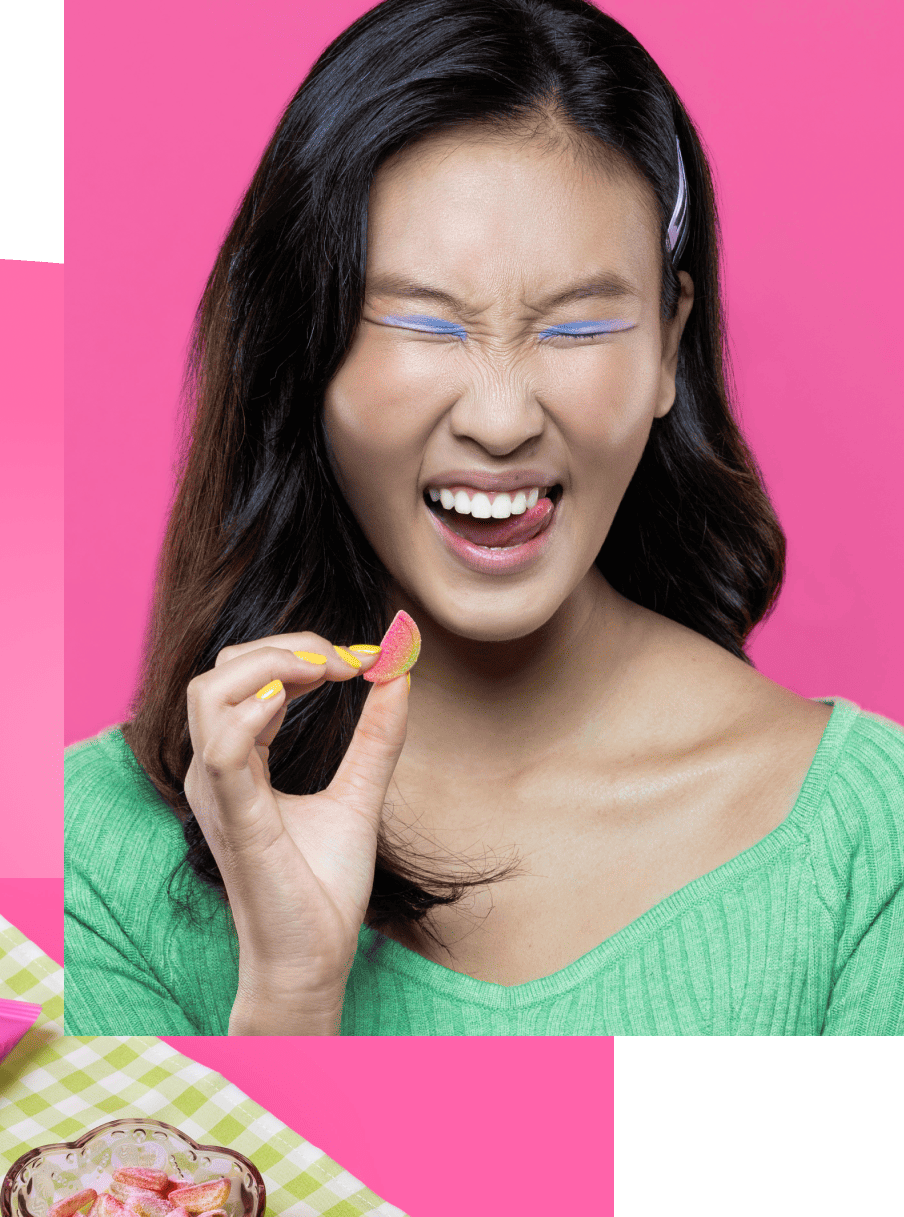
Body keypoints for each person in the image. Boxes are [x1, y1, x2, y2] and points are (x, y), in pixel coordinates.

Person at [64, 0, 904, 1036]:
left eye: (579, 327)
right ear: (302, 343)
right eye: (422, 323)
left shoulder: (869, 836)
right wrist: (291, 997)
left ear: (667, 348)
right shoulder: (92, 851)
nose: (502, 422)